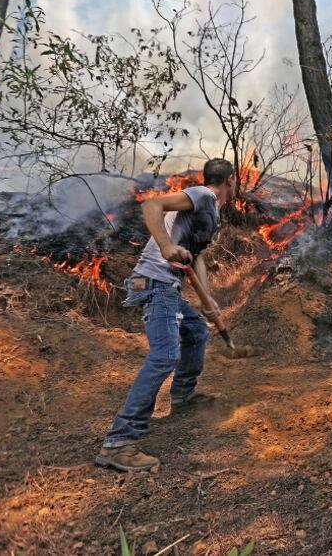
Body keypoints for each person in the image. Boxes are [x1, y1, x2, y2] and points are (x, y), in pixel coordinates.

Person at [96, 159, 236, 472]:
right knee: (165, 355)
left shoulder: (210, 213)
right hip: (156, 282)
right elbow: (152, 205)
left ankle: (184, 398)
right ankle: (119, 442)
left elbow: (195, 256)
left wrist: (207, 297)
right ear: (231, 179)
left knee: (197, 332)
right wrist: (165, 245)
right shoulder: (203, 195)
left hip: (168, 286)